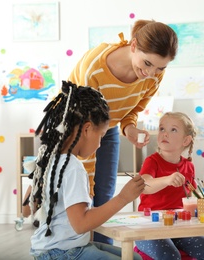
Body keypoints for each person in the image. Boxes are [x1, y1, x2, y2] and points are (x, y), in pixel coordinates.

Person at [68, 19, 178, 244]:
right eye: (147, 64)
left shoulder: (154, 74)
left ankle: (101, 248)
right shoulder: (95, 69)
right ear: (134, 45)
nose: (151, 73)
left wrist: (128, 126)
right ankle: (71, 249)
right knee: (80, 194)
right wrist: (87, 187)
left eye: (160, 67)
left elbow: (133, 108)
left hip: (105, 127)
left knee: (104, 194)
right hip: (75, 126)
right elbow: (86, 131)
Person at [28, 80, 145, 260]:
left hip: (49, 250)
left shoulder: (48, 158)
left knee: (133, 257)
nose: (99, 145)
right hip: (63, 253)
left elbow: (27, 208)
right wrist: (123, 198)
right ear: (87, 129)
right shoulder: (73, 167)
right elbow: (81, 224)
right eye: (102, 137)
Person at [135, 112, 204, 260]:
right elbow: (145, 185)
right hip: (149, 227)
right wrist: (167, 180)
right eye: (162, 129)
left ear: (186, 140)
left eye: (173, 130)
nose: (165, 134)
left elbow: (191, 198)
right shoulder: (152, 161)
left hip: (178, 226)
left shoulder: (189, 166)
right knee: (169, 255)